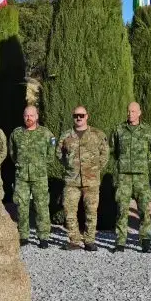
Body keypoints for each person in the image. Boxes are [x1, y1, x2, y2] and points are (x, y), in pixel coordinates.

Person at [56, 106, 110, 251]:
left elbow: (105, 155)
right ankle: (74, 240)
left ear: (87, 116)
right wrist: (70, 167)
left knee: (91, 211)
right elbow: (59, 154)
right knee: (69, 210)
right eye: (75, 116)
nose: (78, 118)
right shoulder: (66, 135)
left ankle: (89, 241)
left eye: (81, 115)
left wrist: (94, 169)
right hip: (72, 181)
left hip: (91, 181)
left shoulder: (98, 134)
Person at [111, 102, 151, 252]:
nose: (130, 114)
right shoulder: (119, 130)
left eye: (133, 111)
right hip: (124, 176)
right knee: (122, 210)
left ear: (139, 112)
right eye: (128, 111)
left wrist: (143, 161)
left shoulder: (148, 131)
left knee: (144, 209)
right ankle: (120, 242)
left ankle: (145, 241)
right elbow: (114, 150)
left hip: (141, 177)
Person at [9, 106, 55, 248]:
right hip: (21, 176)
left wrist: (39, 165)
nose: (28, 118)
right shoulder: (16, 134)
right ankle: (23, 235)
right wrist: (21, 165)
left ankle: (43, 236)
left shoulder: (46, 134)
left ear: (37, 116)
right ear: (23, 117)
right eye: (26, 115)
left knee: (41, 206)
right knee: (21, 206)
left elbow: (51, 154)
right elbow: (12, 153)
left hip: (39, 176)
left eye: (31, 115)